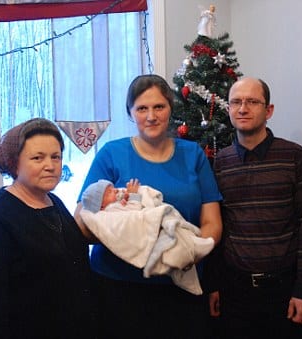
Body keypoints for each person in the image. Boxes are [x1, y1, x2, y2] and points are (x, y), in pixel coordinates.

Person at [73, 74, 223, 339]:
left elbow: (212, 222)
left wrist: (184, 253)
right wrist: (127, 236)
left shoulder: (193, 155)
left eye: (159, 107)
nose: (151, 116)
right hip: (118, 288)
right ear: (131, 113)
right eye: (142, 108)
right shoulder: (111, 154)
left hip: (180, 286)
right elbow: (83, 221)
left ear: (170, 109)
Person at [206, 77, 302, 339]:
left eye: (252, 102)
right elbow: (217, 226)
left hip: (283, 289)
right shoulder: (220, 162)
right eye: (236, 102)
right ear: (229, 109)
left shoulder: (294, 156)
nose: (243, 108)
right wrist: (214, 285)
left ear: (268, 110)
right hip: (234, 290)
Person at [0, 118, 95, 339]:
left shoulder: (54, 202)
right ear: (15, 163)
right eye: (37, 158)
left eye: (56, 157)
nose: (50, 165)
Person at [79, 178, 215, 295]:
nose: (115, 191)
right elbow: (133, 212)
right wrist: (133, 196)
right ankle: (190, 249)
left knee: (174, 232)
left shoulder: (116, 204)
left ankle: (191, 245)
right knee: (170, 239)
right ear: (101, 205)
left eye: (113, 188)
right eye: (109, 192)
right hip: (120, 280)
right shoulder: (111, 211)